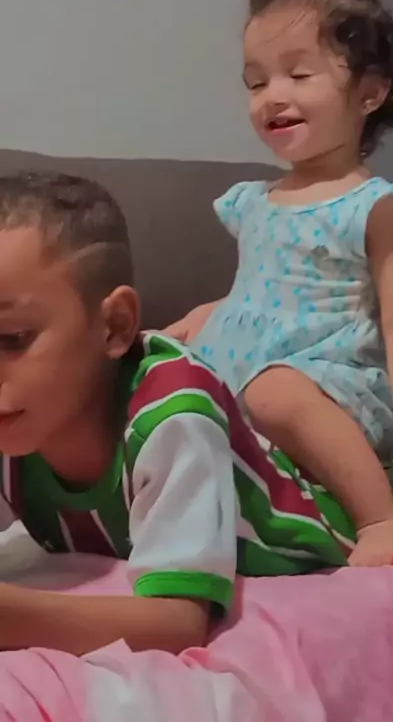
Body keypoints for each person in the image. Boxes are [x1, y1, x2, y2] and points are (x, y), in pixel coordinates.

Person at [0, 169, 371, 656]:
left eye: (11, 339)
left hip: (327, 532)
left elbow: (177, 621)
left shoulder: (173, 413)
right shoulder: (19, 416)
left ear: (114, 326)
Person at [165, 0, 393, 569]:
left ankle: (382, 519)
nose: (272, 95)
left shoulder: (382, 208)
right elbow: (264, 287)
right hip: (242, 374)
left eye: (298, 75)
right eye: (256, 82)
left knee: (275, 391)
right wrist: (206, 317)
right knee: (154, 363)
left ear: (369, 93)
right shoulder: (253, 202)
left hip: (333, 388)